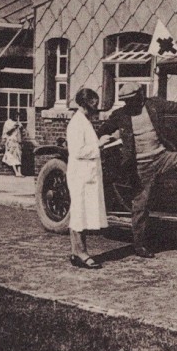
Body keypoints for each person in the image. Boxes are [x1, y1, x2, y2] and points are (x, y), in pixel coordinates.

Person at [99, 82, 177, 258]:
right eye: (126, 101)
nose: (130, 104)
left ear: (140, 95)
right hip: (140, 165)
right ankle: (139, 245)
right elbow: (103, 130)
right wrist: (106, 136)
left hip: (163, 157)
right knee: (140, 205)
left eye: (132, 100)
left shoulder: (153, 105)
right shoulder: (120, 115)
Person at [66, 88, 109, 269]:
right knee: (78, 213)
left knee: (82, 214)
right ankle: (80, 253)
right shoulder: (76, 123)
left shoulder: (85, 121)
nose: (96, 108)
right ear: (85, 104)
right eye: (94, 104)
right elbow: (77, 151)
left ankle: (78, 252)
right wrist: (99, 145)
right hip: (80, 175)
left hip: (86, 174)